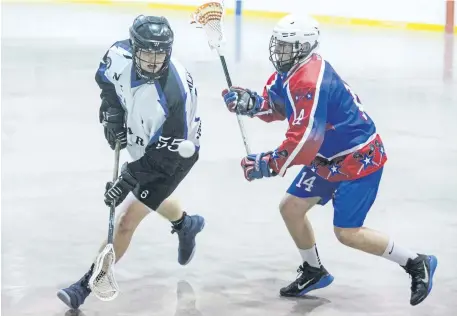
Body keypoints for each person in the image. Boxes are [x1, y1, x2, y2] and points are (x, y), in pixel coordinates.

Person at [221, 14, 437, 306]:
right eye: (278, 44)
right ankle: (314, 270)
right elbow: (279, 106)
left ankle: (416, 262)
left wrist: (268, 163)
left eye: (286, 47)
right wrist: (252, 104)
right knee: (291, 208)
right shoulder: (289, 73)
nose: (278, 52)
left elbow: (305, 141)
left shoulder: (310, 80)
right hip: (329, 159)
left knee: (347, 233)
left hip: (358, 161)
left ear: (304, 47)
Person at [57, 15, 205, 310]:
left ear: (169, 51)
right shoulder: (117, 54)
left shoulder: (175, 95)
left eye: (160, 54)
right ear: (134, 47)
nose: (153, 61)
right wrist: (111, 111)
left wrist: (128, 179)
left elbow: (166, 155)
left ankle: (86, 285)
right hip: (142, 139)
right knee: (152, 198)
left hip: (173, 157)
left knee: (126, 221)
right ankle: (186, 224)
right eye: (147, 53)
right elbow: (107, 82)